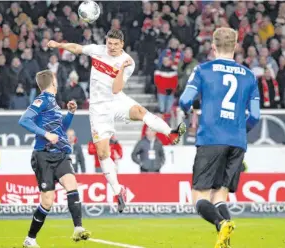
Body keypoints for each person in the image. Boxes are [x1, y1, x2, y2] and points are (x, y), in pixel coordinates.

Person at [47, 29, 187, 213]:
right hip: (98, 108)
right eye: (109, 43)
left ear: (122, 44)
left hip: (116, 100)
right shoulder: (98, 50)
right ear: (106, 42)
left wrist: (120, 68)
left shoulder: (128, 62)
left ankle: (171, 133)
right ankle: (118, 191)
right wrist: (59, 45)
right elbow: (77, 48)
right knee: (103, 152)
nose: (112, 47)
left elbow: (116, 88)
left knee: (140, 111)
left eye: (115, 44)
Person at [179, 27, 260, 248]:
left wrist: (192, 111)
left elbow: (185, 101)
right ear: (235, 47)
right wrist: (239, 130)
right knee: (220, 196)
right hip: (237, 141)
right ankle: (226, 241)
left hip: (211, 139)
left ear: (213, 47)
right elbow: (254, 116)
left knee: (199, 197)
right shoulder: (250, 75)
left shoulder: (202, 70)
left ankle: (221, 222)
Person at [18, 70, 91, 247]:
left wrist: (70, 114)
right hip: (43, 154)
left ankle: (78, 228)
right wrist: (45, 134)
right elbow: (24, 120)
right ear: (52, 82)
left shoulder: (54, 103)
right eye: (56, 80)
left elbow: (60, 129)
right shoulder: (42, 99)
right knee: (47, 202)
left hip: (60, 154)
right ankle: (30, 238)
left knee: (71, 185)